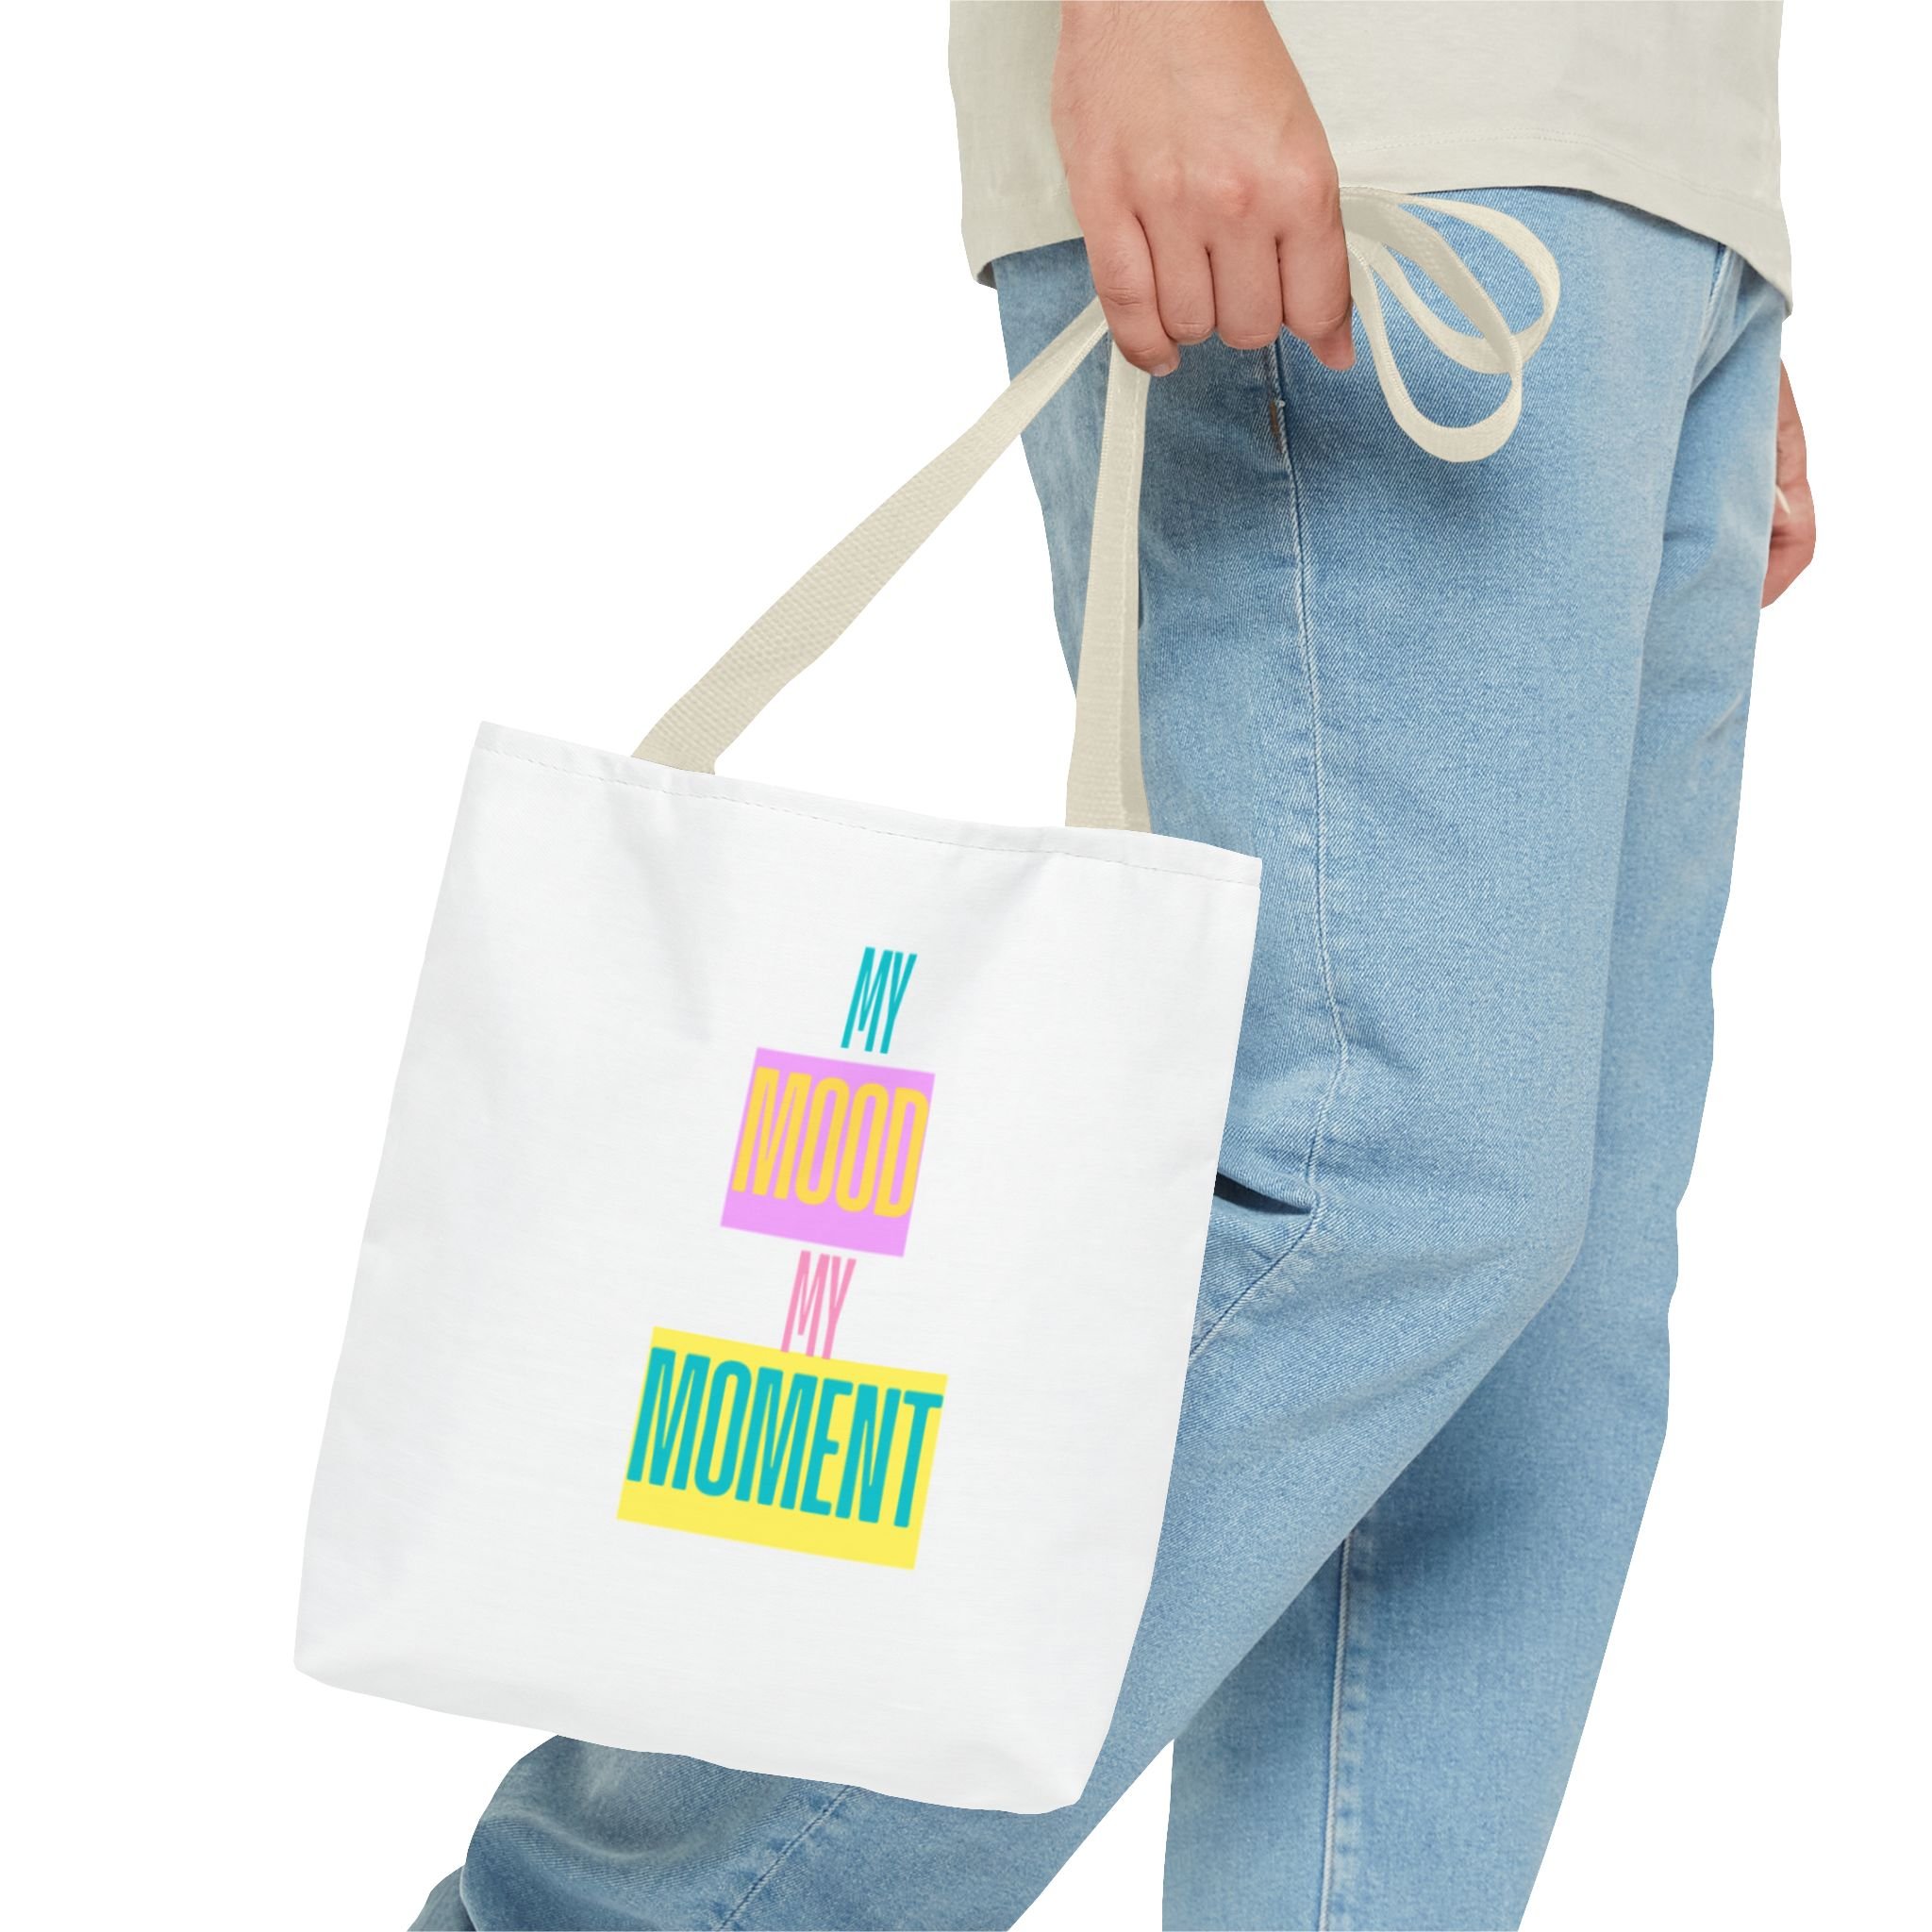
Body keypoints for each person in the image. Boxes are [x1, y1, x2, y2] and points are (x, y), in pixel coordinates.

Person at [412, 4, 1814, 1926]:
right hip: (1369, 117)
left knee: (1532, 1358)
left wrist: (1696, 233)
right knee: (1377, 1194)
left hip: (1643, 186)